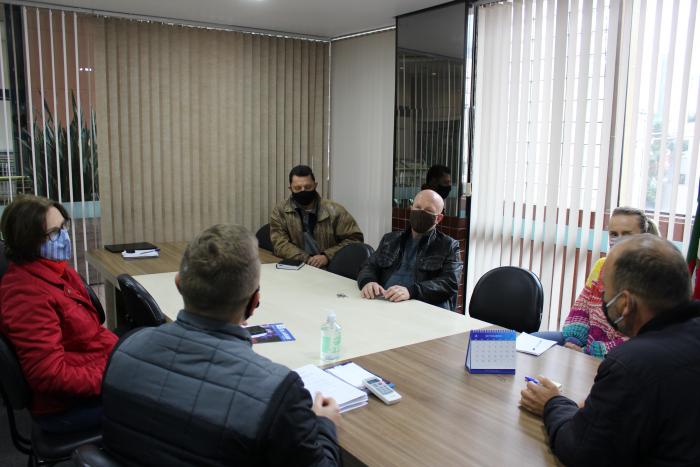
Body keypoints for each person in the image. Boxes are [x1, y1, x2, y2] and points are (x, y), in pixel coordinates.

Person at [101, 224, 341, 466]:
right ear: (254, 302)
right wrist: (325, 424)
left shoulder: (125, 348)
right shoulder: (277, 392)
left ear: (178, 284)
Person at [519, 234, 700, 466]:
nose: (602, 297)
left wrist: (551, 403)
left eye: (606, 291)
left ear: (624, 303)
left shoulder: (631, 364)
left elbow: (581, 451)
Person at [0, 195, 118, 433]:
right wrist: (112, 377)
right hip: (67, 407)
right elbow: (49, 375)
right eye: (54, 232)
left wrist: (124, 358)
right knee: (164, 403)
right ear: (28, 241)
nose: (64, 236)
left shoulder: (57, 270)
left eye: (63, 226)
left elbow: (90, 334)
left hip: (96, 368)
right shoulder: (25, 294)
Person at [533, 207, 659, 358]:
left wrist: (587, 353)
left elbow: (638, 341)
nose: (618, 240)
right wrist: (573, 341)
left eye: (627, 234)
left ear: (644, 238)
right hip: (584, 344)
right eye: (614, 234)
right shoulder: (602, 265)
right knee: (520, 342)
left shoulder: (652, 280)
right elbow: (582, 309)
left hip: (615, 357)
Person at [357, 189, 462, 310]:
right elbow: (368, 266)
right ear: (411, 209)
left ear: (438, 218)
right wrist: (368, 281)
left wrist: (412, 291)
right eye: (418, 207)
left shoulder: (449, 245)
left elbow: (450, 283)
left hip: (422, 307)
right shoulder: (390, 239)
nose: (421, 212)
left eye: (428, 210)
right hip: (384, 302)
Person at [270, 165, 363, 268]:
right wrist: (306, 259)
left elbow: (355, 240)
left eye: (308, 187)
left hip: (330, 268)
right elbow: (279, 244)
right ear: (290, 188)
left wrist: (327, 256)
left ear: (315, 185)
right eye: (297, 188)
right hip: (297, 266)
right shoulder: (280, 211)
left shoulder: (336, 211)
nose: (303, 191)